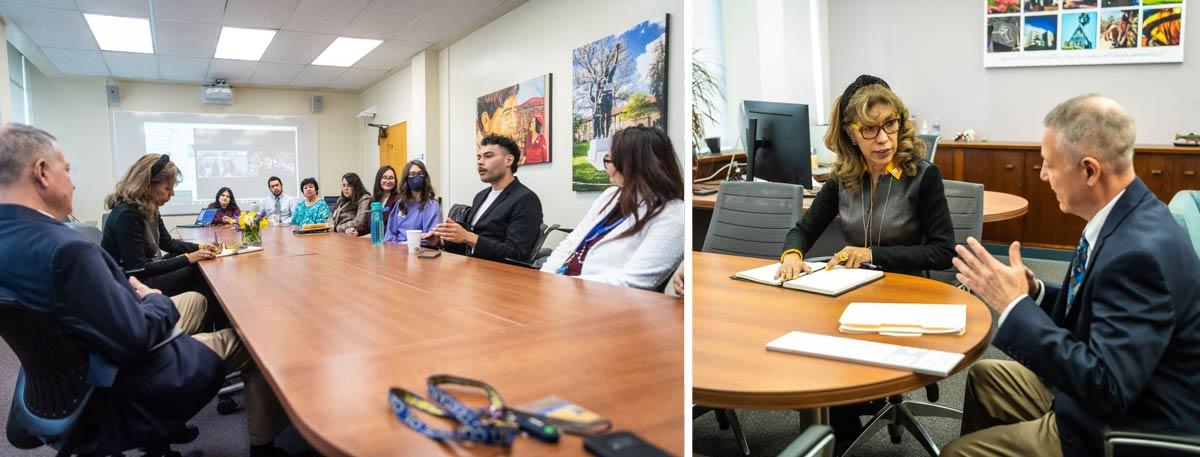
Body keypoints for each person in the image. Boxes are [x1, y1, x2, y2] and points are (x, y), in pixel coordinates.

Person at [0, 124, 290, 457]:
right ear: (42, 173)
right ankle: (263, 448)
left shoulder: (15, 240)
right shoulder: (66, 250)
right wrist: (155, 300)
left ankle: (162, 431)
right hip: (123, 379)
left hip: (60, 388)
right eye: (67, 170)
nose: (74, 180)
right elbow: (136, 336)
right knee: (254, 344)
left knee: (194, 298)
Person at [944, 95, 1200, 457]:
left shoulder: (1137, 256)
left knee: (958, 452)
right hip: (1112, 395)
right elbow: (1097, 312)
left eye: (1048, 164)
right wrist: (1033, 292)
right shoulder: (1127, 215)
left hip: (1127, 424)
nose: (1043, 175)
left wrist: (1013, 304)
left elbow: (1106, 388)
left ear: (1089, 171)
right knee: (988, 379)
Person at [774, 75, 956, 445]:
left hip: (909, 296)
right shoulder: (843, 179)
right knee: (810, 353)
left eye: (890, 125)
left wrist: (871, 254)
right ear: (851, 134)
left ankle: (841, 428)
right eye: (869, 129)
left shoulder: (923, 176)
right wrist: (793, 253)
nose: (883, 138)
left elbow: (942, 251)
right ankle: (830, 434)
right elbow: (803, 230)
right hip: (856, 294)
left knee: (837, 365)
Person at [541, 126, 683, 290]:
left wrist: (567, 287)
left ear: (632, 165)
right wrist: (545, 279)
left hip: (608, 304)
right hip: (564, 290)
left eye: (608, 160)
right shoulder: (610, 195)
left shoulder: (674, 214)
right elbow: (572, 242)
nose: (606, 167)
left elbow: (634, 282)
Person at [101, 154, 225, 327]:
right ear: (148, 183)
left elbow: (168, 243)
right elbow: (140, 269)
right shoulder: (126, 215)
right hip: (132, 284)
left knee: (193, 263)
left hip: (142, 274)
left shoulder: (150, 208)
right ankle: (214, 329)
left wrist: (200, 247)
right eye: (168, 188)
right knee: (197, 272)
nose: (172, 193)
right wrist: (190, 257)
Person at [429, 134, 544, 262]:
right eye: (478, 157)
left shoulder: (526, 199)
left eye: (488, 156)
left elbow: (516, 254)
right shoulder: (481, 196)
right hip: (470, 268)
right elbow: (467, 246)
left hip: (498, 275)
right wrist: (442, 242)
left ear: (509, 160)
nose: (480, 162)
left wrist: (469, 237)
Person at [383, 159, 441, 244]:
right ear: (406, 178)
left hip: (420, 251)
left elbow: (430, 238)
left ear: (425, 177)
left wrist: (411, 243)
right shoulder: (400, 204)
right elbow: (390, 235)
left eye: (420, 173)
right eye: (412, 174)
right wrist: (399, 245)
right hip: (397, 250)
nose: (416, 177)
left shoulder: (432, 205)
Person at [355, 165, 400, 237]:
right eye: (384, 178)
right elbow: (365, 226)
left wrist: (373, 235)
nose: (388, 181)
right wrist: (356, 231)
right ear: (379, 180)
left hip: (388, 241)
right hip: (371, 241)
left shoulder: (398, 200)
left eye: (391, 178)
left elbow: (394, 226)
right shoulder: (373, 200)